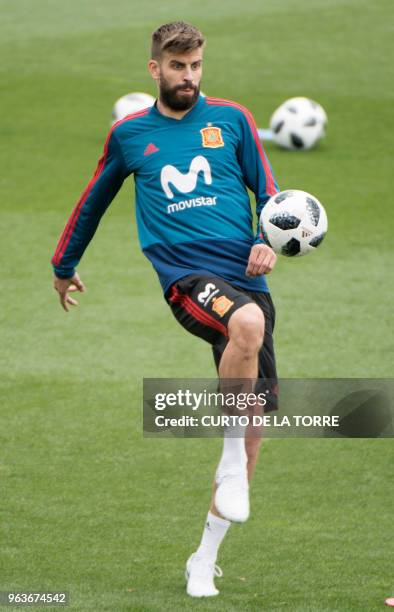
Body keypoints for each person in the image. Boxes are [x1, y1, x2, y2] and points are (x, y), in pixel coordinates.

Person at [51, 21, 280, 598]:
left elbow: (270, 196)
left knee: (255, 427)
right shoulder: (131, 135)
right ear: (155, 69)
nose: (189, 76)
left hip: (245, 277)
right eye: (177, 67)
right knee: (244, 325)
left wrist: (264, 238)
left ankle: (202, 558)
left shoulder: (232, 120)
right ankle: (228, 459)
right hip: (186, 279)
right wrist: (63, 264)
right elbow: (92, 202)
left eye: (196, 65)